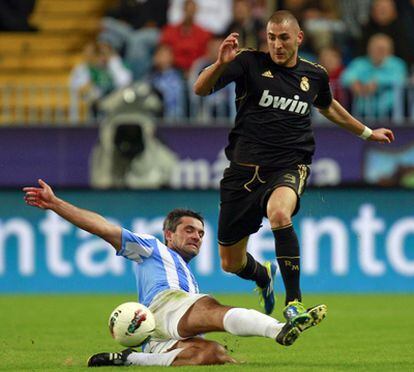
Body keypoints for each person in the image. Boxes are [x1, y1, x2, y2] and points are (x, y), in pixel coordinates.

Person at [193, 10, 394, 318]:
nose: (277, 45)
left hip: (289, 165)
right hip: (243, 172)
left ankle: (294, 302)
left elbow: (329, 106)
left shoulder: (314, 74)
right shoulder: (248, 63)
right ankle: (263, 276)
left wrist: (367, 132)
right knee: (230, 263)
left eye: (283, 38)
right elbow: (200, 89)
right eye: (271, 38)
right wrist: (220, 63)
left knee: (279, 213)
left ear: (298, 38)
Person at [23, 179, 327, 367]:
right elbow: (102, 227)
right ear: (169, 235)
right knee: (209, 308)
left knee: (214, 356)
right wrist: (56, 204)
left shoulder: (187, 275)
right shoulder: (153, 249)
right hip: (165, 306)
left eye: (200, 233)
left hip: (154, 336)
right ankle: (279, 330)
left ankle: (129, 361)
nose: (196, 236)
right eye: (188, 230)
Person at [341, 33, 407, 119]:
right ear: (369, 49)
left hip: (391, 114)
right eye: (376, 48)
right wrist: (353, 82)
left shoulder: (397, 64)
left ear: (390, 50)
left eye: (382, 49)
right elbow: (345, 77)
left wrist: (378, 82)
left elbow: (400, 79)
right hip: (362, 113)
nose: (379, 51)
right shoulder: (359, 63)